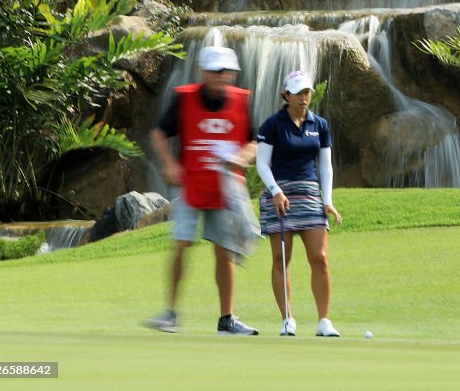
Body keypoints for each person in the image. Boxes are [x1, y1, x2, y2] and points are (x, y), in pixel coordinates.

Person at [144, 45, 260, 336]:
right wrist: (170, 163)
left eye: (227, 71)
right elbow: (159, 134)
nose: (222, 76)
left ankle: (227, 319)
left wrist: (242, 158)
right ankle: (170, 314)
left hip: (224, 189)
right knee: (182, 244)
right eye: (216, 70)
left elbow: (254, 141)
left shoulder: (241, 102)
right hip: (191, 185)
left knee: (225, 251)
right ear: (204, 72)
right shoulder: (185, 99)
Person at [255, 69, 342, 337]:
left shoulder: (320, 125)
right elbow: (262, 163)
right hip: (279, 195)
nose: (304, 98)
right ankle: (287, 319)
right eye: (298, 93)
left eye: (307, 92)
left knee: (320, 258)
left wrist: (327, 200)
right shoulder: (272, 125)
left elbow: (325, 167)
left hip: (310, 194)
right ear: (286, 94)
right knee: (281, 259)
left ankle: (324, 321)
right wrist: (275, 191)